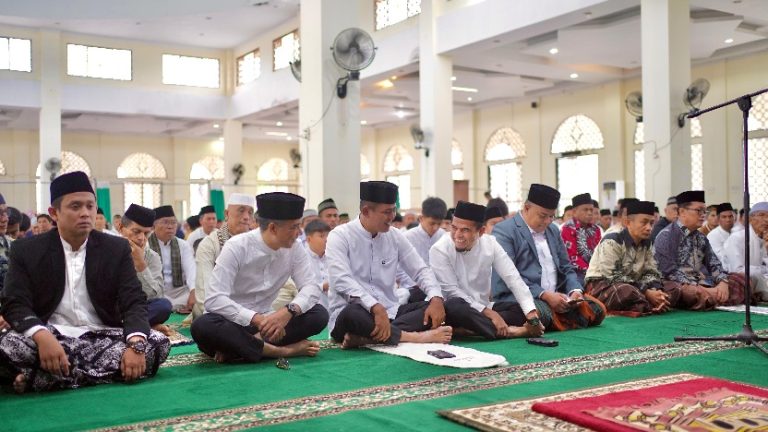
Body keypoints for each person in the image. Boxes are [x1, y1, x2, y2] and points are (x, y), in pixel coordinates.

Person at [0, 172, 169, 393]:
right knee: (8, 343)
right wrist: (42, 336)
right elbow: (15, 302)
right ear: (54, 213)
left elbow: (134, 301)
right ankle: (88, 372)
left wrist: (136, 345)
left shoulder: (115, 248)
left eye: (90, 206)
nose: (85, 213)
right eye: (76, 206)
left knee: (157, 343)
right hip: (51, 334)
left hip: (102, 333)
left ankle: (46, 377)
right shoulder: (27, 250)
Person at [190, 192, 327, 363]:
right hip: (232, 322)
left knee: (319, 313)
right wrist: (256, 319)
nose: (299, 233)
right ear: (272, 228)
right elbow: (214, 299)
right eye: (293, 227)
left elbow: (311, 287)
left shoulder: (295, 248)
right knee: (202, 326)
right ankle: (281, 351)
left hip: (270, 324)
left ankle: (241, 349)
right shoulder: (236, 247)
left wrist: (287, 312)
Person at [326, 181, 452, 348]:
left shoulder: (395, 236)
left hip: (390, 313)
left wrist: (436, 298)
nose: (392, 216)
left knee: (442, 307)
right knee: (352, 313)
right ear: (366, 211)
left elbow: (420, 270)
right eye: (386, 212)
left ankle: (369, 338)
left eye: (393, 210)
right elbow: (341, 280)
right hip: (355, 314)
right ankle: (415, 337)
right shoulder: (340, 236)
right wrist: (374, 307)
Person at [491, 184, 606, 331]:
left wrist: (574, 291)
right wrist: (544, 295)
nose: (547, 221)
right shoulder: (505, 230)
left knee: (598, 309)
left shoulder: (552, 230)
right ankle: (555, 318)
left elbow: (566, 267)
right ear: (526, 208)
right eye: (543, 216)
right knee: (536, 313)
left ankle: (559, 316)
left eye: (551, 216)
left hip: (558, 296)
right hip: (521, 298)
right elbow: (509, 276)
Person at [433, 201, 545, 339]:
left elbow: (513, 278)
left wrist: (532, 316)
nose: (457, 235)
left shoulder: (490, 243)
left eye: (465, 230)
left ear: (481, 232)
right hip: (452, 309)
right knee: (456, 305)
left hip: (482, 307)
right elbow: (452, 292)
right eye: (454, 228)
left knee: (520, 310)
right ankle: (514, 332)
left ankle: (467, 331)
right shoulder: (439, 249)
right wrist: (491, 314)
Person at [585, 200, 683, 316]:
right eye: (644, 222)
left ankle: (652, 303)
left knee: (674, 288)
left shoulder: (647, 243)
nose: (649, 228)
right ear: (628, 222)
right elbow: (612, 276)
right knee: (625, 291)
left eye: (651, 223)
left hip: (636, 285)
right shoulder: (612, 240)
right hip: (603, 285)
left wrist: (655, 290)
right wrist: (646, 292)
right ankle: (653, 304)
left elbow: (651, 271)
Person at [654, 191, 749, 310]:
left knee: (740, 278)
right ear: (682, 212)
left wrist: (723, 282)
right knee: (688, 292)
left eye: (705, 211)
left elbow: (714, 264)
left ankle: (714, 297)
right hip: (681, 285)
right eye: (699, 210)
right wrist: (702, 287)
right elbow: (669, 273)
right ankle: (716, 298)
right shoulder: (667, 236)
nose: (703, 215)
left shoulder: (701, 237)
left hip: (704, 282)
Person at [190, 193, 255, 321]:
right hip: (219, 309)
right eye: (241, 211)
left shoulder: (258, 243)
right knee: (205, 321)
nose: (246, 217)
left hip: (252, 308)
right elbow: (206, 293)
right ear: (226, 214)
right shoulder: (209, 245)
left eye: (250, 212)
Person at [116, 204, 173, 331]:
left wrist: (140, 264)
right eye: (136, 232)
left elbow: (156, 295)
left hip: (137, 308)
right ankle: (143, 326)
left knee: (163, 306)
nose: (141, 238)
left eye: (146, 233)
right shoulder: (108, 250)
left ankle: (122, 327)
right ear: (120, 227)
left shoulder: (152, 257)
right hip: (113, 308)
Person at [149, 205, 196, 313]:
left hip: (180, 292)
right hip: (157, 293)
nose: (170, 226)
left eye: (173, 222)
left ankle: (177, 306)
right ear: (154, 225)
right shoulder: (146, 245)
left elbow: (191, 269)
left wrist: (193, 291)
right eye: (165, 222)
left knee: (203, 295)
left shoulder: (183, 245)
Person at [722, 202, 768, 302]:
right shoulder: (737, 238)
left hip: (759, 280)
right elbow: (737, 270)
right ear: (750, 219)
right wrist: (762, 271)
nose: (766, 220)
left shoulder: (763, 239)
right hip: (738, 283)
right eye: (761, 215)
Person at [560, 193, 601, 285]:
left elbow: (600, 252)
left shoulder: (596, 229)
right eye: (585, 210)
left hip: (595, 271)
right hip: (575, 272)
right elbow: (572, 257)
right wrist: (591, 272)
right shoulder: (567, 229)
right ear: (574, 212)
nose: (590, 213)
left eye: (591, 210)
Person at [304, 219, 332, 309]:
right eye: (321, 236)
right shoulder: (302, 258)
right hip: (312, 310)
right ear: (309, 239)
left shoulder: (334, 256)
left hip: (334, 306)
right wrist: (322, 286)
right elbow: (299, 288)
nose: (326, 239)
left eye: (328, 235)